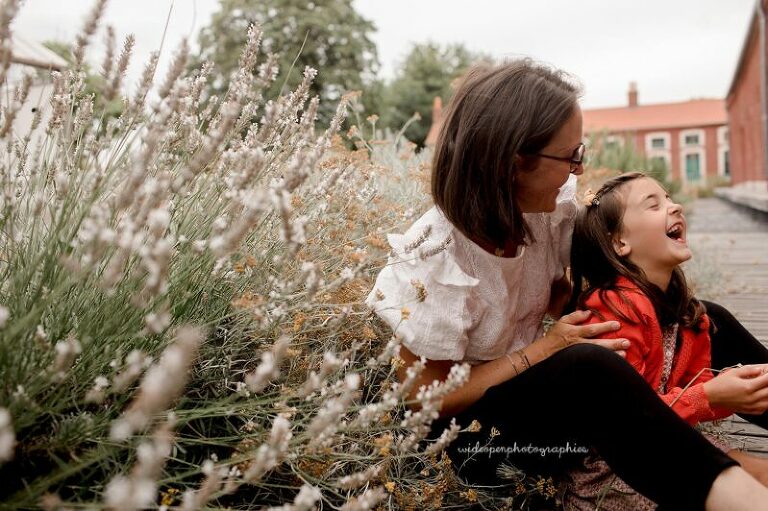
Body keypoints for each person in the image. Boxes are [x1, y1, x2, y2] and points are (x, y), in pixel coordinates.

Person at [365, 58, 768, 510]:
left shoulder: (545, 211)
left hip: (543, 404)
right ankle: (739, 500)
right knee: (587, 367)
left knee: (702, 315)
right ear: (514, 163)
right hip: (483, 447)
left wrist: (644, 317)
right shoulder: (433, 257)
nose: (578, 170)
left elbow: (566, 290)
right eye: (570, 156)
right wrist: (546, 347)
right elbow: (430, 402)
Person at [558, 171, 768, 510]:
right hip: (620, 469)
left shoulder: (685, 311)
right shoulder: (615, 310)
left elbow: (693, 394)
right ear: (619, 243)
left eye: (669, 198)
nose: (676, 206)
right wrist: (711, 394)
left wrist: (735, 394)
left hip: (673, 438)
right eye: (653, 205)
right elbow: (635, 421)